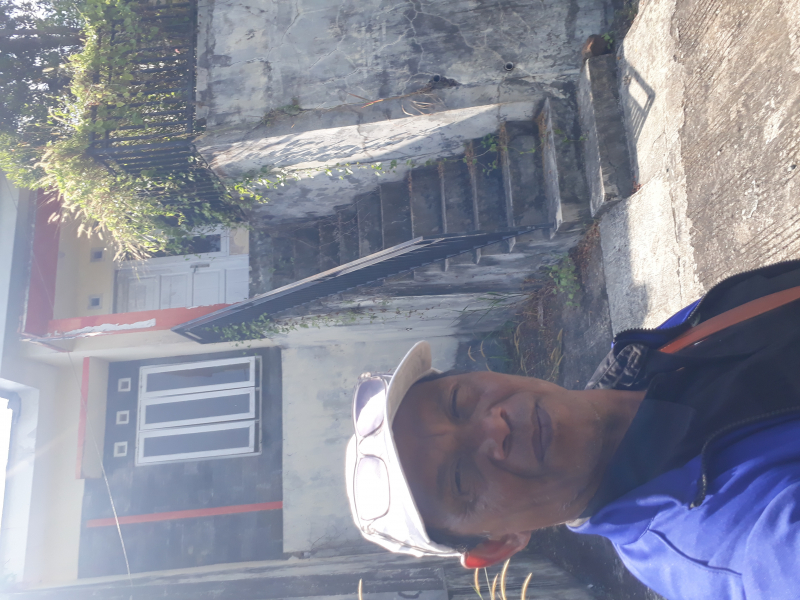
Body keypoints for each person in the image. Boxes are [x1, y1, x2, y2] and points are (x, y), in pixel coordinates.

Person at [345, 259, 800, 600]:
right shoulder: (736, 547)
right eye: (460, 478)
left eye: (458, 401)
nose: (493, 427)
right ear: (498, 544)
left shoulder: (646, 357)